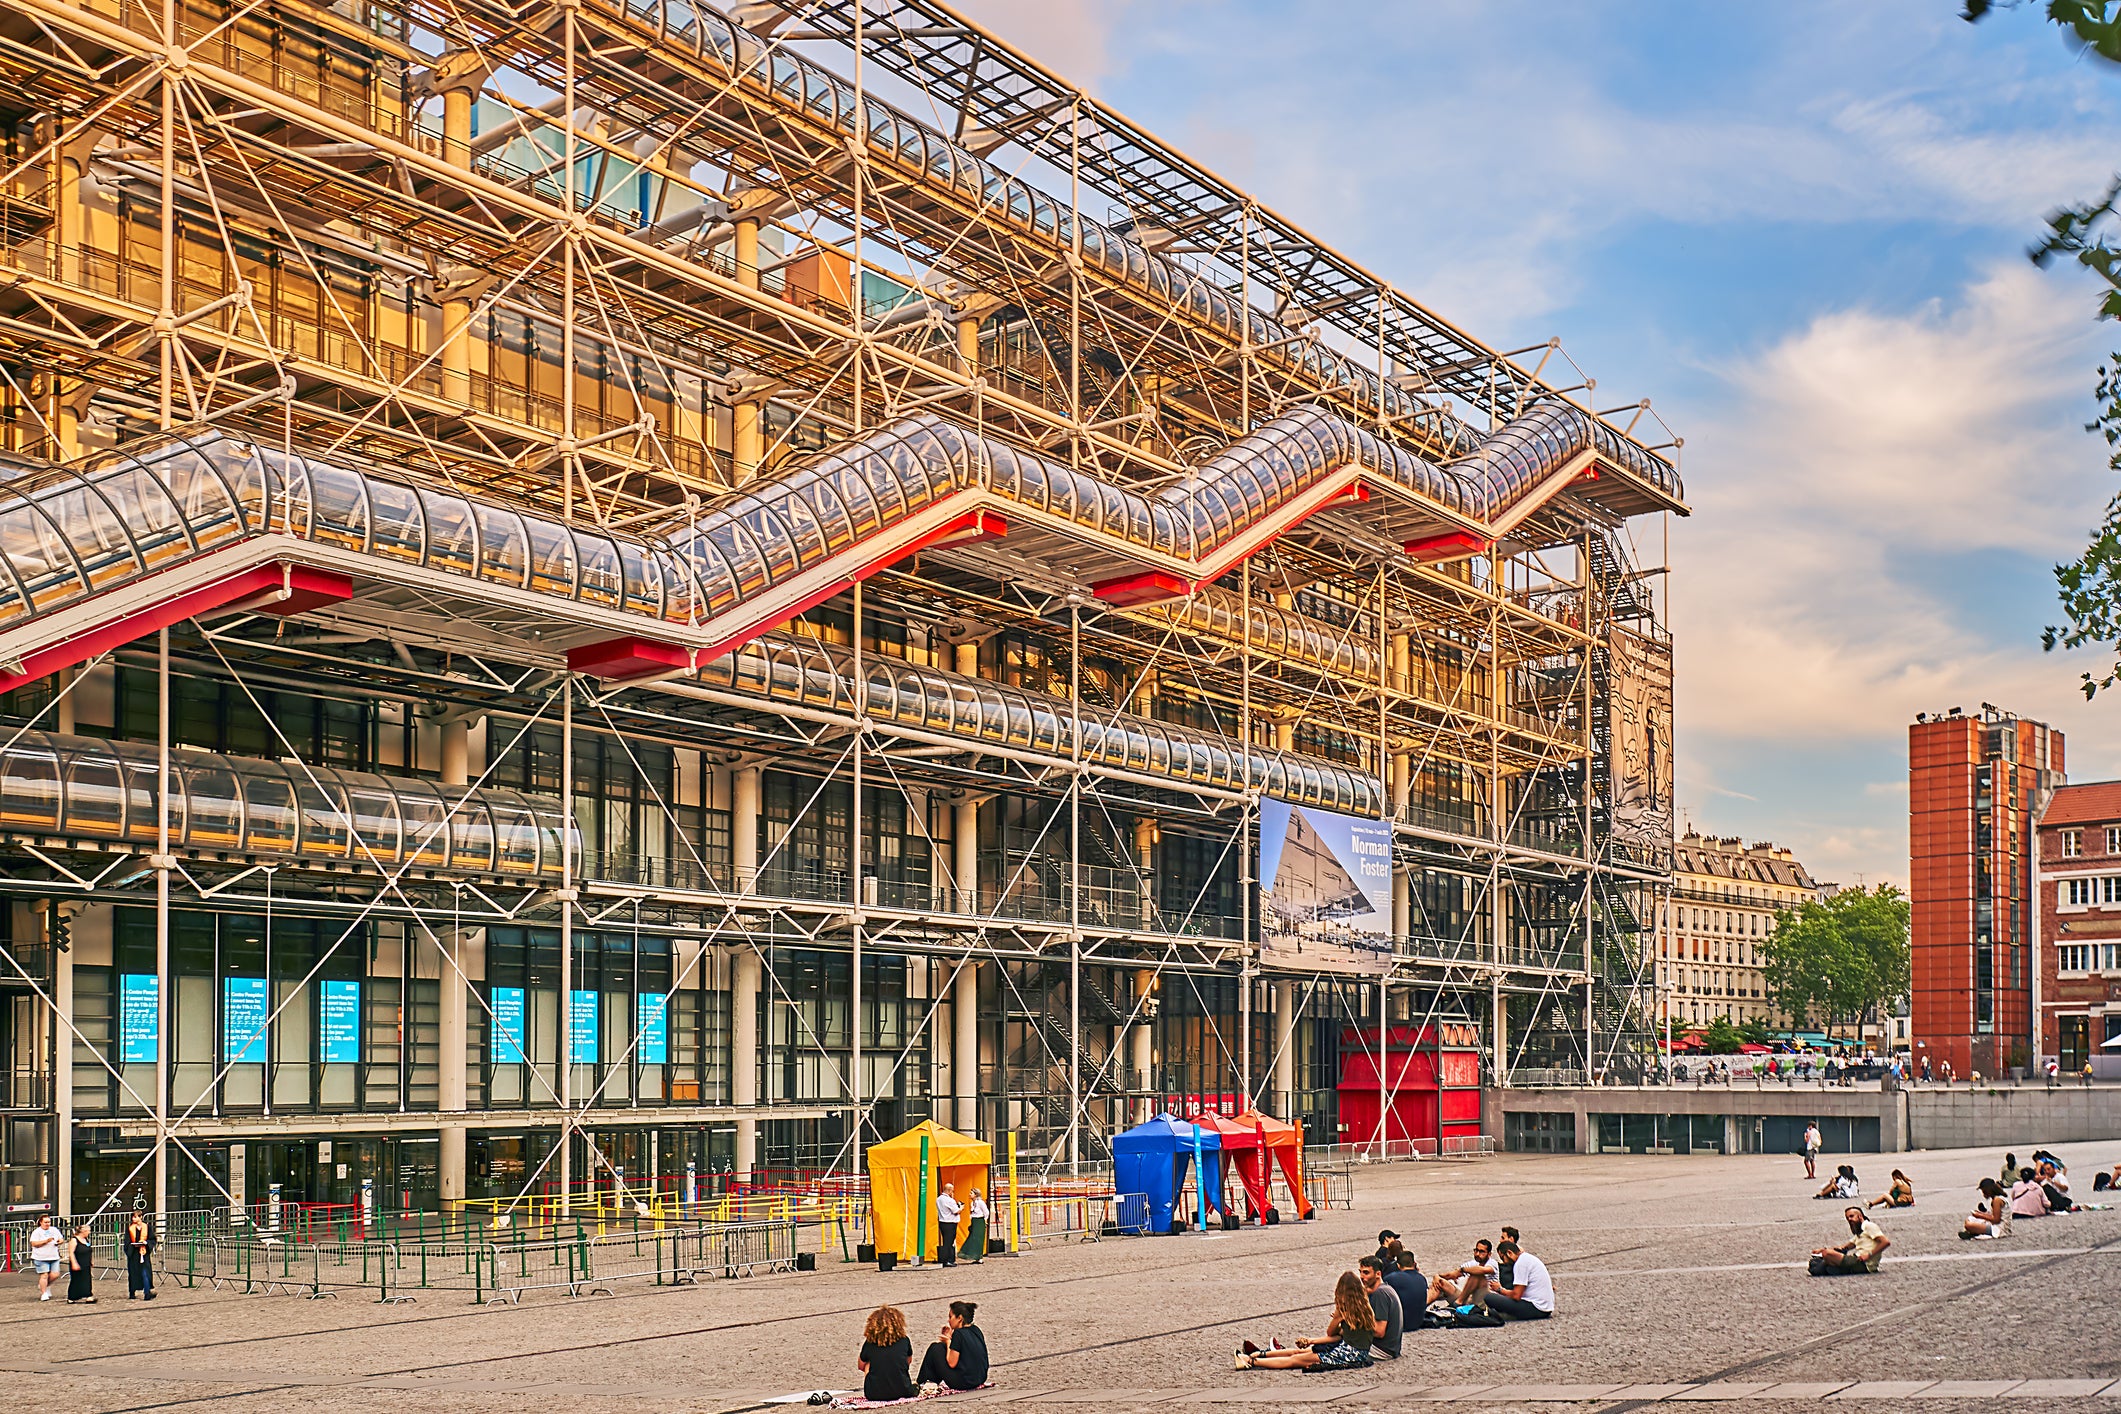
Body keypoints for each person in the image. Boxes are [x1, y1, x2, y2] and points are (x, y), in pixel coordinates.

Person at [1238, 1272, 1376, 1371]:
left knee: (1295, 1360)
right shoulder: (1365, 1309)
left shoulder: (1344, 1311)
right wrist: (1312, 1340)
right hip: (1358, 1353)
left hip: (1347, 1354)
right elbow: (1344, 1335)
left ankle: (1251, 1361)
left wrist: (1337, 1318)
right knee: (1298, 1354)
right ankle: (1258, 1355)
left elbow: (1331, 1333)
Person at [917, 1301, 989, 1391]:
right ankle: (930, 1382)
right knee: (941, 1346)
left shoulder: (958, 1334)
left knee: (935, 1348)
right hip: (979, 1378)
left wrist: (948, 1341)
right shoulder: (976, 1330)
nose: (949, 1320)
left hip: (963, 1382)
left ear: (959, 1318)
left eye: (951, 1317)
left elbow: (952, 1362)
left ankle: (922, 1382)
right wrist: (949, 1338)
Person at [858, 1304, 919, 1403]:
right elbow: (908, 1361)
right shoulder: (904, 1340)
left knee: (868, 1363)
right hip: (903, 1391)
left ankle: (876, 1385)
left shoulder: (870, 1342)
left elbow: (861, 1365)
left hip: (874, 1394)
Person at [1484, 1240, 1554, 1321]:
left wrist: (1500, 1289)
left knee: (1489, 1297)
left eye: (1503, 1258)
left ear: (1509, 1253)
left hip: (1537, 1308)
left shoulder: (1520, 1263)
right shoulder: (1527, 1258)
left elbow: (1516, 1295)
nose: (1504, 1262)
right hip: (1545, 1308)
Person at [1808, 1207, 1888, 1276]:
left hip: (1863, 1263)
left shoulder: (1868, 1226)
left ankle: (1828, 1266)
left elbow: (1885, 1242)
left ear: (1860, 1216)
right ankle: (1833, 1267)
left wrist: (1868, 1255)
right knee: (1818, 1259)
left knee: (1826, 1255)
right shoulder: (1859, 1232)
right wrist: (1822, 1250)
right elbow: (1844, 1247)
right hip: (1856, 1260)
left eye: (1852, 1216)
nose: (1849, 1219)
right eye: (1847, 1218)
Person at [1355, 1256, 1402, 1359]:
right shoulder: (1386, 1289)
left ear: (1378, 1274)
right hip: (1390, 1348)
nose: (1362, 1277)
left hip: (1380, 1350)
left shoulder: (1380, 1294)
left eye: (1366, 1273)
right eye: (1361, 1272)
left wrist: (1355, 1323)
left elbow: (1379, 1331)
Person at [1429, 1238, 1497, 1310]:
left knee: (1477, 1274)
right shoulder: (1471, 1263)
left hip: (1484, 1300)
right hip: (1467, 1298)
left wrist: (1464, 1270)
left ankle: (1458, 1303)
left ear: (1489, 1254)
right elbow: (1452, 1274)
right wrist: (1437, 1276)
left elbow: (1484, 1270)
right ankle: (1420, 1308)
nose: (1477, 1254)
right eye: (1476, 1250)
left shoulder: (1492, 1263)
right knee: (1440, 1283)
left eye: (1481, 1252)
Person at [1383, 1251, 1428, 1323]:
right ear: (1414, 1264)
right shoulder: (1422, 1278)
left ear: (1398, 1265)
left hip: (1402, 1323)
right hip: (1418, 1322)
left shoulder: (1392, 1278)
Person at [28, 1213, 64, 1302]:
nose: (47, 1224)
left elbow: (61, 1238)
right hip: (41, 1257)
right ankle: (44, 1293)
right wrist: (46, 1241)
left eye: (49, 1222)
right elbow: (34, 1243)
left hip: (54, 1256)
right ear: (41, 1222)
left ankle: (45, 1285)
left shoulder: (54, 1230)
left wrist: (60, 1241)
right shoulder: (37, 1232)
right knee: (44, 1275)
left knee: (55, 1274)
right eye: (45, 1222)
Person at [124, 1210, 157, 1300]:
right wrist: (131, 1246)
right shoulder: (130, 1229)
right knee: (133, 1273)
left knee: (145, 1273)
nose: (133, 1219)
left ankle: (147, 1292)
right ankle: (132, 1292)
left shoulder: (147, 1227)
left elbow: (152, 1239)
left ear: (140, 1217)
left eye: (135, 1217)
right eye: (133, 1217)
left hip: (144, 1253)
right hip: (134, 1254)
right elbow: (127, 1241)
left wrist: (146, 1243)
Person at [65, 1221, 96, 1304]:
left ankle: (88, 1295)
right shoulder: (74, 1240)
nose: (89, 1232)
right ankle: (72, 1297)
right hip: (77, 1261)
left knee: (87, 1279)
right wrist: (74, 1263)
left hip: (86, 1262)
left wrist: (91, 1260)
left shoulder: (86, 1239)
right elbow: (71, 1253)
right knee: (76, 1280)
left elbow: (89, 1250)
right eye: (88, 1231)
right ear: (83, 1232)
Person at [934, 1182, 961, 1268]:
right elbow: (956, 1211)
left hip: (942, 1222)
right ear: (949, 1191)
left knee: (946, 1241)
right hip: (950, 1223)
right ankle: (947, 1260)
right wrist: (961, 1208)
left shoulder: (938, 1199)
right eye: (952, 1191)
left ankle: (947, 1259)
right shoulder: (950, 1200)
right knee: (949, 1242)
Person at [962, 1188, 989, 1264]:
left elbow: (986, 1212)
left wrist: (984, 1220)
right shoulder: (972, 1203)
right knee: (974, 1239)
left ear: (976, 1194)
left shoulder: (980, 1202)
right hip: (974, 1220)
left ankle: (980, 1257)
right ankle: (976, 1256)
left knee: (978, 1239)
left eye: (971, 1193)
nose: (969, 1194)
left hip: (979, 1220)